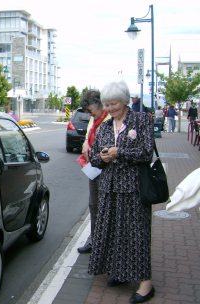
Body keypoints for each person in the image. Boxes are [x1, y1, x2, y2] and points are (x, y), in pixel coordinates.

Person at [88, 80, 155, 303]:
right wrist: (103, 157)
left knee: (137, 235)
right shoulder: (106, 126)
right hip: (109, 189)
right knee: (114, 233)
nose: (109, 109)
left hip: (134, 189)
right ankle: (120, 272)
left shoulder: (141, 120)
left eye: (114, 104)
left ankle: (146, 284)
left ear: (125, 101)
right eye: (107, 105)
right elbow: (95, 158)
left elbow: (146, 152)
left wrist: (120, 153)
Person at [76, 90, 111, 254]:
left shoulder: (110, 119)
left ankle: (106, 245)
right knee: (94, 205)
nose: (89, 114)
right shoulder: (94, 119)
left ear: (100, 105)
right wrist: (85, 144)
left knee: (106, 208)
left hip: (106, 170)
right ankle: (96, 242)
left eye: (90, 110)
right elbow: (88, 136)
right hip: (93, 169)